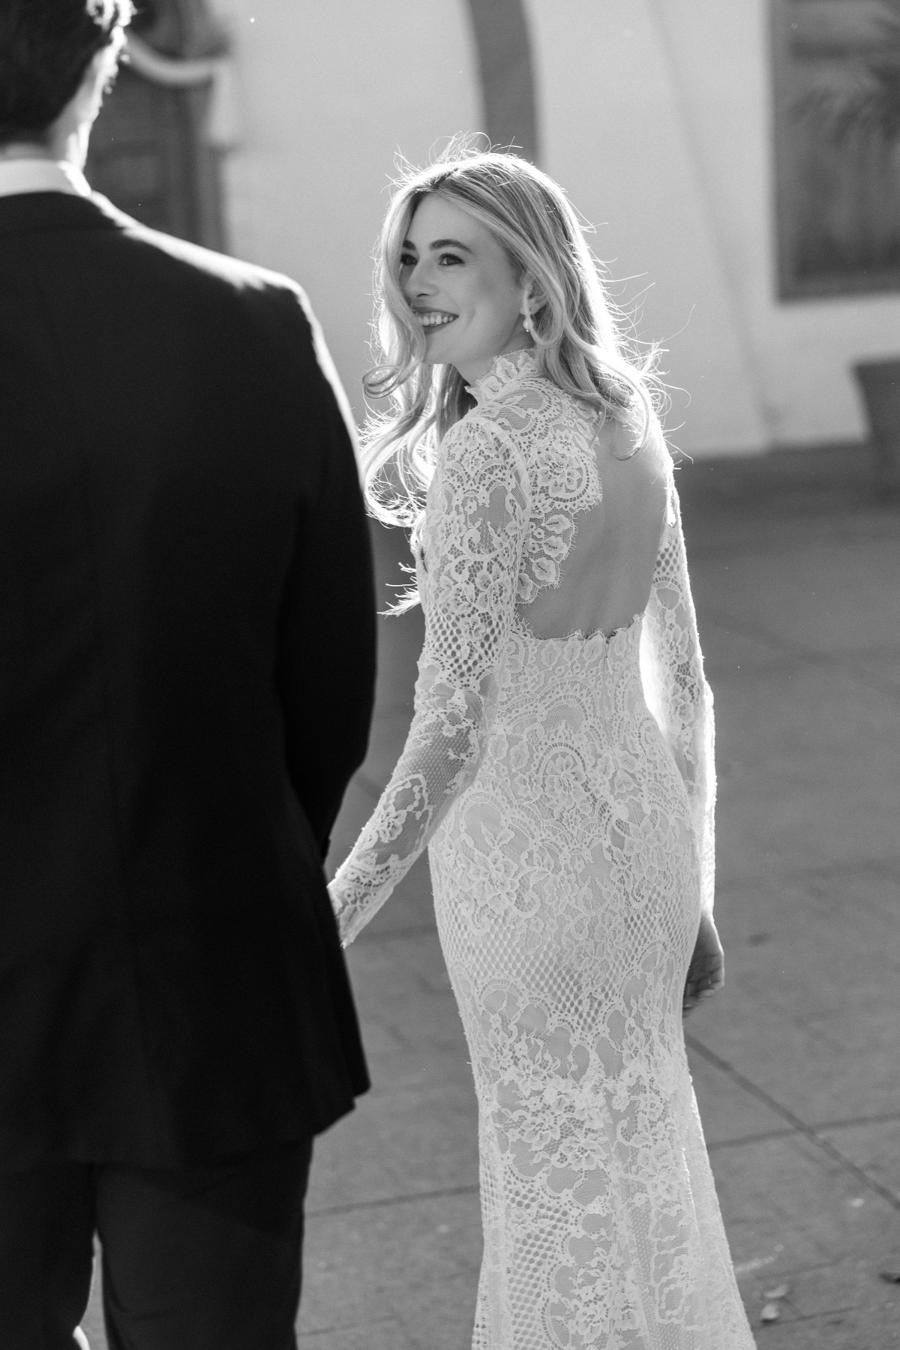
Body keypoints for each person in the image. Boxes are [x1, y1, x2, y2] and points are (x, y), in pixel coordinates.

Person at [329, 143, 757, 1348]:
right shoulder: (629, 423)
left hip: (528, 873)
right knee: (645, 1165)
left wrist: (334, 918)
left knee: (548, 1175)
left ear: (533, 281)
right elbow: (689, 683)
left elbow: (449, 733)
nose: (418, 282)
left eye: (451, 256)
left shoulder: (486, 455)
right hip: (642, 860)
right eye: (409, 257)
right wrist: (698, 891)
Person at [0, 3, 376, 1346]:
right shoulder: (253, 321)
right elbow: (330, 676)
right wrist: (242, 856)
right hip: (210, 969)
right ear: (102, 70)